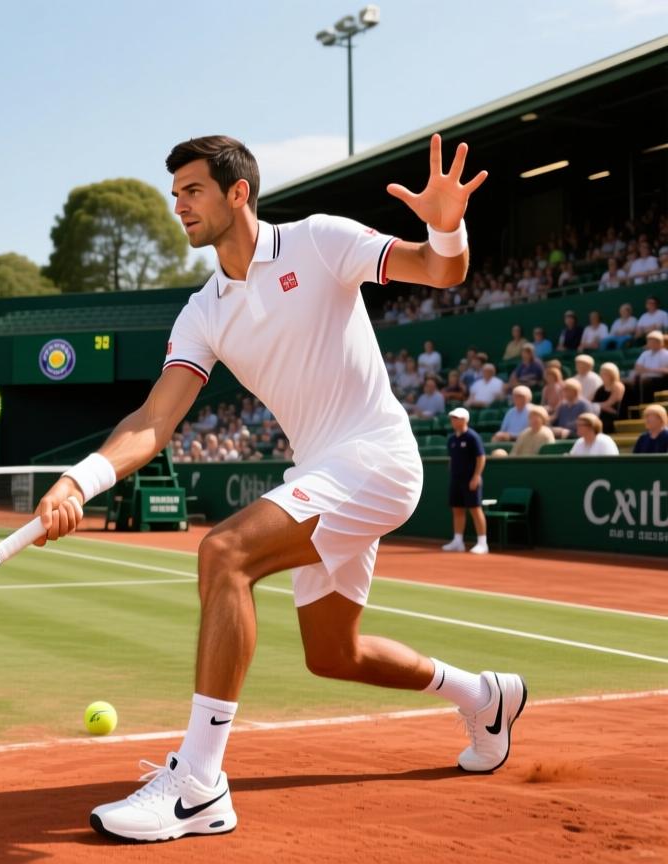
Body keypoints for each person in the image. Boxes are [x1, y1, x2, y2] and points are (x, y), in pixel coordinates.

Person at [32, 135, 524, 843]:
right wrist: (83, 478)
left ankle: (200, 787)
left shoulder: (319, 242)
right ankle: (485, 696)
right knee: (334, 653)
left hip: (377, 458)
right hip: (322, 471)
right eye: (174, 195)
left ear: (238, 193)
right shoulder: (203, 310)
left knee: (225, 553)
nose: (179, 207)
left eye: (192, 191)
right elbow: (153, 419)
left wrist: (446, 224)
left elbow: (439, 272)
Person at [442, 407, 488, 554]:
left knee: (475, 509)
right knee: (457, 509)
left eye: (456, 418)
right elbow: (452, 459)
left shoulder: (473, 437)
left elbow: (481, 458)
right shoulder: (452, 439)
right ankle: (458, 541)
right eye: (452, 418)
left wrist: (476, 476)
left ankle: (482, 543)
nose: (453, 420)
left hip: (470, 479)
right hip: (456, 479)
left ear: (464, 420)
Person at [627, 330, 668, 404]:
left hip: (661, 380)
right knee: (630, 383)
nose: (649, 343)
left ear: (659, 342)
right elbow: (637, 367)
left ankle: (645, 405)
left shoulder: (666, 354)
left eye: (651, 341)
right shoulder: (645, 354)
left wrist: (648, 370)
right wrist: (651, 370)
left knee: (645, 381)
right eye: (649, 341)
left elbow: (666, 371)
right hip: (644, 378)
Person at [592, 362, 625, 434]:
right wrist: (599, 406)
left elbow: (610, 403)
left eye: (605, 374)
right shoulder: (600, 388)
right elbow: (593, 403)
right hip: (602, 412)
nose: (602, 376)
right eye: (601, 373)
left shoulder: (617, 386)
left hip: (615, 414)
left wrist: (598, 406)